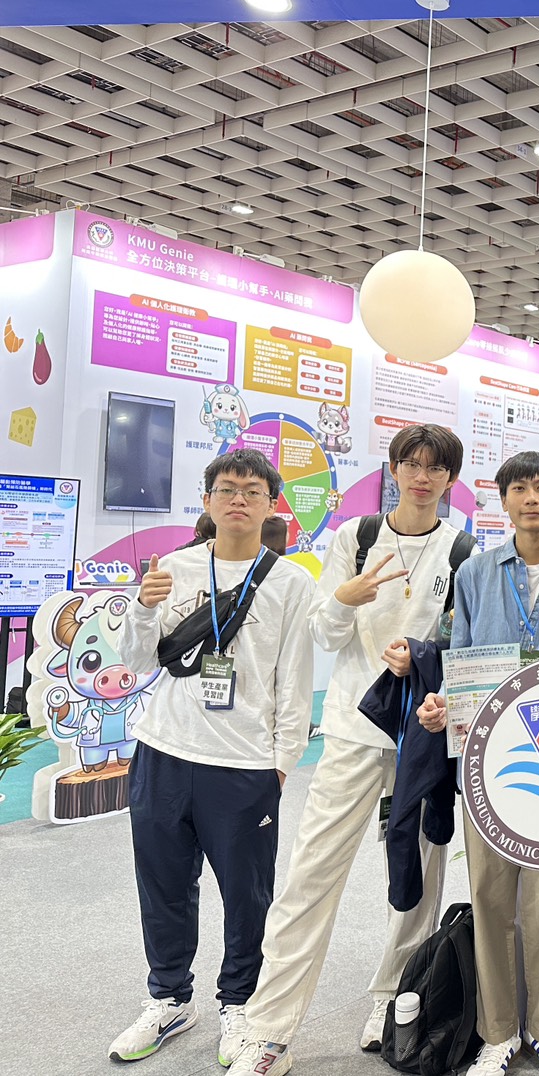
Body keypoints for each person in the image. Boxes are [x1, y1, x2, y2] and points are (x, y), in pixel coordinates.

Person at [227, 425, 468, 1076]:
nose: (421, 477)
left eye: (435, 467)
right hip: (352, 730)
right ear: (393, 470)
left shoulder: (462, 550)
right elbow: (324, 634)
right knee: (311, 874)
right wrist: (344, 598)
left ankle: (393, 998)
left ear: (450, 479)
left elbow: (465, 645)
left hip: (425, 735)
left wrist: (424, 657)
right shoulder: (354, 538)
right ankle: (270, 1028)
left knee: (418, 877)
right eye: (410, 463)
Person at [109, 449, 315, 1065]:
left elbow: (294, 683)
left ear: (272, 504)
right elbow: (137, 662)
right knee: (163, 884)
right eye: (227, 489)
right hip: (163, 751)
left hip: (244, 764)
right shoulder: (173, 568)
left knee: (247, 895)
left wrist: (281, 763)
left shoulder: (290, 583)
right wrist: (143, 608)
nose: (239, 499)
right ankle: (169, 998)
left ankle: (240, 1004)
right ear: (207, 500)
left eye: (253, 491)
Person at [418, 451, 539, 1076]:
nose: (530, 499)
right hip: (488, 756)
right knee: (490, 894)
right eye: (518, 489)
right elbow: (460, 658)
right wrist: (444, 705)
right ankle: (497, 1032)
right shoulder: (474, 573)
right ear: (504, 501)